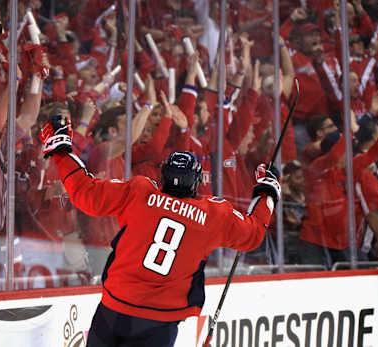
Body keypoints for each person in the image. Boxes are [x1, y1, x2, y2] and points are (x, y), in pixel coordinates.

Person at [39, 113, 281, 346]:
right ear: (196, 184)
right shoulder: (212, 215)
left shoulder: (139, 192)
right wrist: (267, 192)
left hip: (115, 307)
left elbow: (85, 193)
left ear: (163, 177)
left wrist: (61, 150)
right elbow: (253, 234)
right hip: (160, 320)